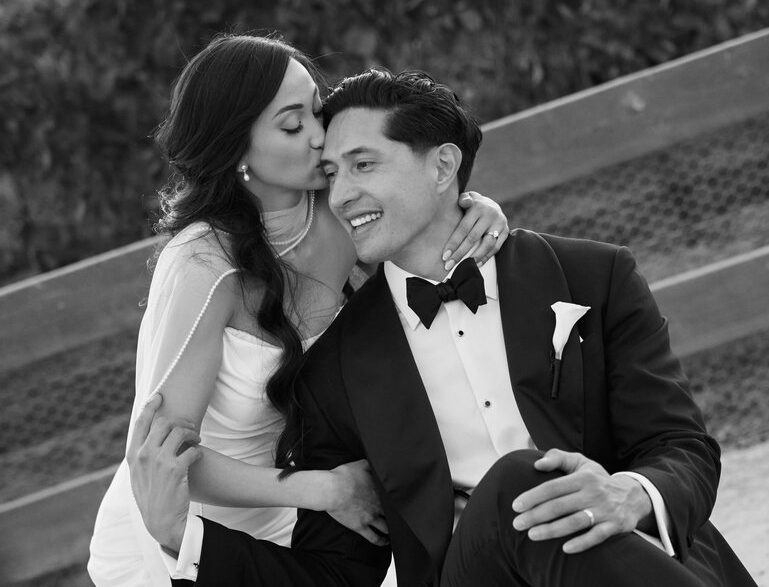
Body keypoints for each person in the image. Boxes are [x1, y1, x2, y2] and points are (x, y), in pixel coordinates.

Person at [128, 69, 757, 586]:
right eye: (332, 173)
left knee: (570, 508)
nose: (341, 194)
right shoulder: (334, 367)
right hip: (468, 576)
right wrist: (185, 539)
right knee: (520, 480)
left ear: (442, 166)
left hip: (629, 558)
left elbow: (682, 447)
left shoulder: (591, 277)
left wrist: (631, 495)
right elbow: (332, 575)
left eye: (364, 165)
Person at [87, 36, 509, 587]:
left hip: (310, 531)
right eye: (292, 126)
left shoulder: (341, 213)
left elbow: (422, 215)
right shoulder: (202, 264)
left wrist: (475, 208)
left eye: (317, 109)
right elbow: (161, 458)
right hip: (187, 533)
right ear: (235, 148)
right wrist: (324, 489)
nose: (319, 136)